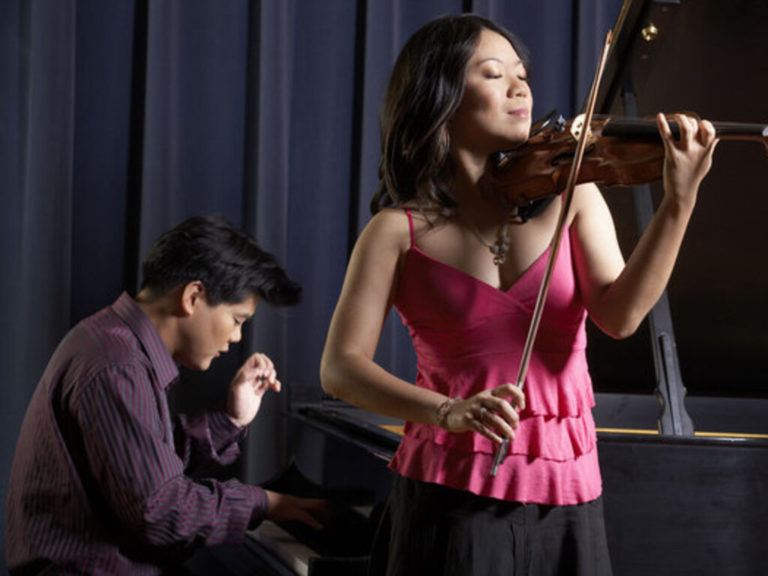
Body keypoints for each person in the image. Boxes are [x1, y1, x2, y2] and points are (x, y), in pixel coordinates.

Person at [320, 13, 717, 576]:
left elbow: (621, 316)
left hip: (569, 489)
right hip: (448, 491)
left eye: (522, 75)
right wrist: (448, 411)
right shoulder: (396, 232)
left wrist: (678, 204)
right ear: (440, 97)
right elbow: (340, 368)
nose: (519, 87)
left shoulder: (573, 196)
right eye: (493, 74)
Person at [6, 214, 327, 575]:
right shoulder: (117, 364)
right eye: (237, 320)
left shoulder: (114, 343)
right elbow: (161, 513)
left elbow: (141, 465)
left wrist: (230, 418)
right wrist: (264, 503)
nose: (236, 338)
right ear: (193, 296)